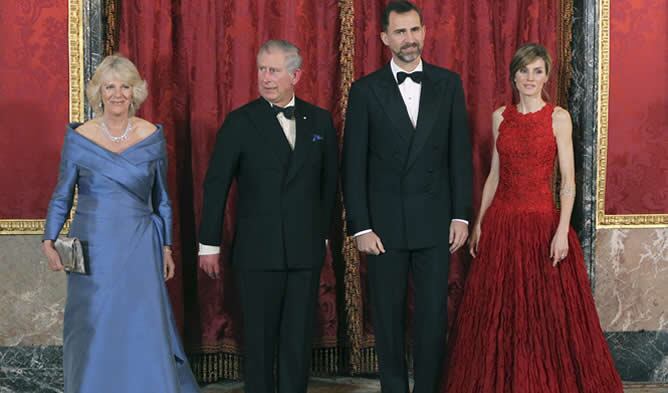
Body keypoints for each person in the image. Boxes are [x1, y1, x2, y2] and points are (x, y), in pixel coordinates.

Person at [443, 43, 623, 393]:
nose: (530, 77)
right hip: (502, 226)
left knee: (544, 317)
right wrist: (480, 221)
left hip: (542, 226)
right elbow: (494, 174)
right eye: (524, 70)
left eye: (537, 71)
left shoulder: (558, 117)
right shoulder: (500, 117)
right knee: (500, 316)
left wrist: (561, 231)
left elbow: (568, 182)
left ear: (546, 76)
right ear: (513, 75)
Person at [41, 54, 199, 393]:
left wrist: (167, 247)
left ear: (135, 91)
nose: (117, 94)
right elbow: (61, 195)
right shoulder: (80, 137)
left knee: (141, 324)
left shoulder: (152, 136)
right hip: (92, 246)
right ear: (98, 92)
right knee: (94, 324)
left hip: (140, 245)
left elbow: (163, 199)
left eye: (124, 87)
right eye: (109, 87)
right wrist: (48, 239)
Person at [342, 1, 473, 392]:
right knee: (388, 318)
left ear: (424, 32)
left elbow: (459, 156)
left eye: (415, 30)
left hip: (435, 224)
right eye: (400, 32)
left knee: (433, 318)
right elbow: (353, 166)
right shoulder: (365, 91)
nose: (409, 39)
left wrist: (461, 216)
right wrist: (361, 226)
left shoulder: (449, 84)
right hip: (383, 229)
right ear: (385, 38)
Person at [198, 39, 338, 393]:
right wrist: (208, 244)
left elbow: (329, 186)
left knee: (297, 342)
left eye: (273, 70)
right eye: (261, 69)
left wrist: (322, 237)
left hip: (304, 252)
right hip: (258, 253)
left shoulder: (320, 120)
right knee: (259, 344)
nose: (265, 77)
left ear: (296, 75)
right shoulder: (240, 122)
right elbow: (216, 185)